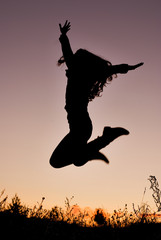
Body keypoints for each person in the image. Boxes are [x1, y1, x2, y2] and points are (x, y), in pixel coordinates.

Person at [50, 21, 143, 168]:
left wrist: (63, 36)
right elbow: (111, 70)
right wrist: (63, 36)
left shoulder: (80, 72)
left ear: (81, 62)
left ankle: (106, 138)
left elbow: (68, 54)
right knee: (75, 160)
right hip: (81, 127)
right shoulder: (85, 73)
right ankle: (103, 140)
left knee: (59, 161)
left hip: (80, 127)